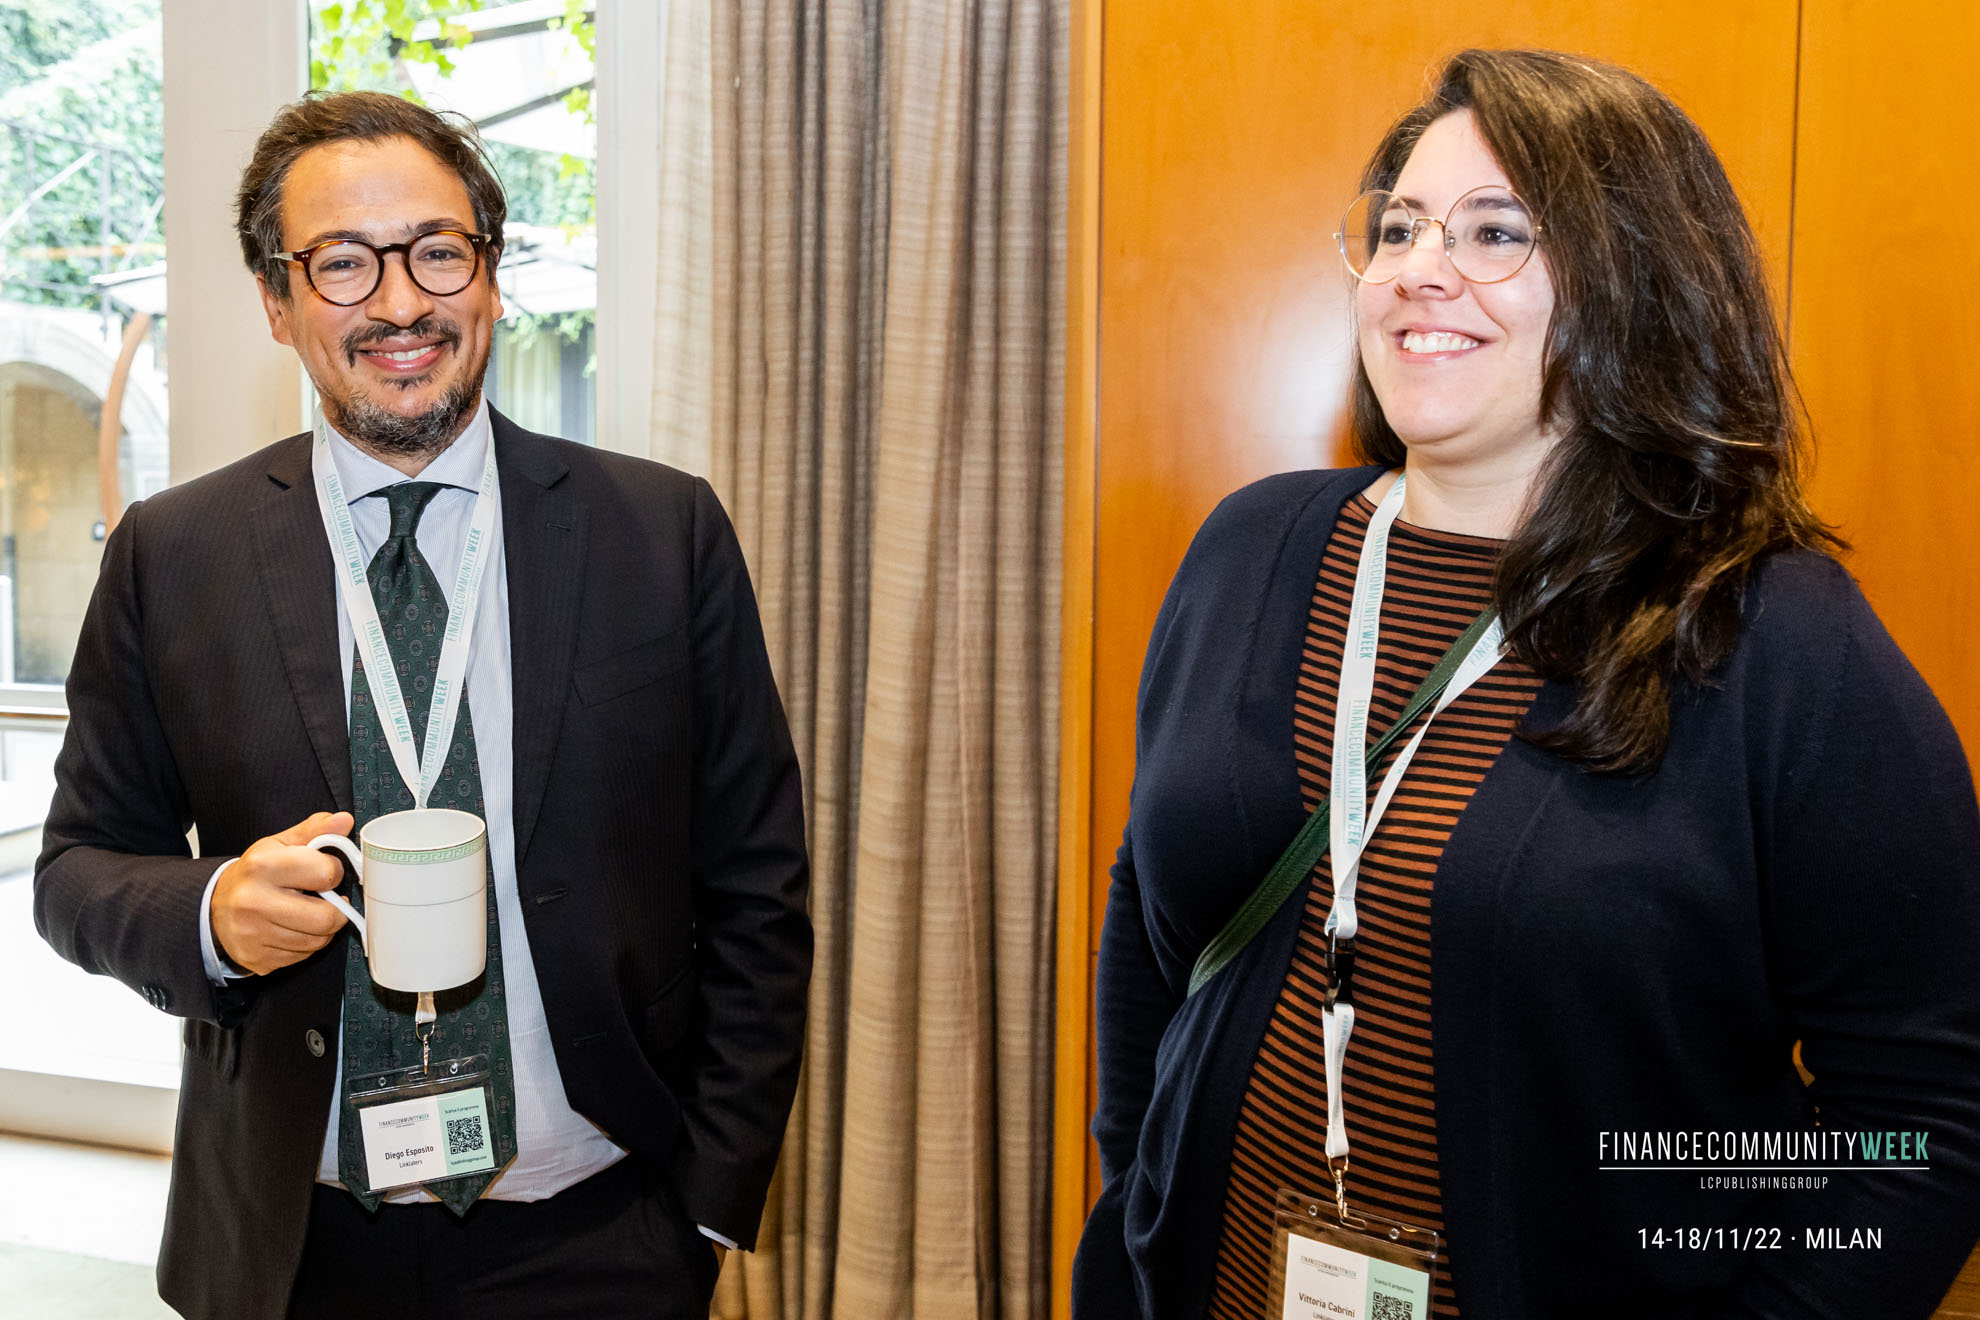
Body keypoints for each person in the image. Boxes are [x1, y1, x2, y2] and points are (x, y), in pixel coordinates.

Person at [1072, 48, 1980, 1320]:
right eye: (1399, 228)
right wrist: (1137, 1196)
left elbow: (1924, 1119)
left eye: (1494, 231)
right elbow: (1149, 905)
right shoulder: (1250, 547)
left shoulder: (1774, 641)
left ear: (1636, 283)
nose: (1418, 268)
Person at [33, 90, 811, 1320]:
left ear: (490, 277)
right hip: (293, 1246)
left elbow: (760, 885)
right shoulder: (171, 555)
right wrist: (211, 913)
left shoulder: (662, 532)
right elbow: (75, 869)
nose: (400, 302)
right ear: (277, 303)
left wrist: (708, 1201)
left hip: (604, 1229)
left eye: (437, 252)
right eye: (343, 262)